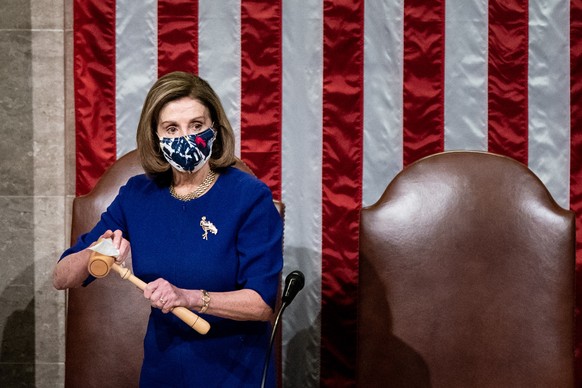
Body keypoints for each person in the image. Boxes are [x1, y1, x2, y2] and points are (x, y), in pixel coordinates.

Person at [53, 71, 284, 387]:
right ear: (156, 138)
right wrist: (96, 252)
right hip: (164, 371)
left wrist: (188, 298)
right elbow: (62, 277)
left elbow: (260, 304)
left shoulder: (248, 196)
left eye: (197, 125)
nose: (186, 137)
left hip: (234, 371)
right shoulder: (137, 195)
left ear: (214, 129)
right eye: (172, 128)